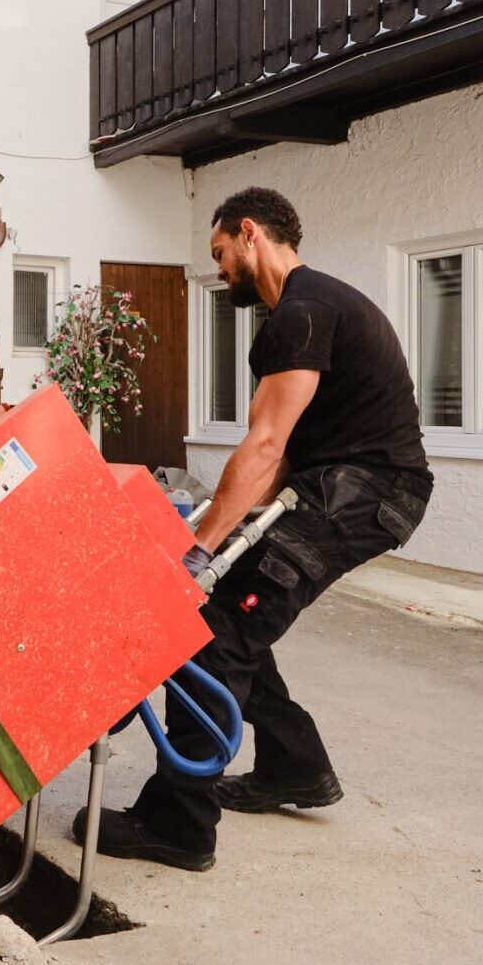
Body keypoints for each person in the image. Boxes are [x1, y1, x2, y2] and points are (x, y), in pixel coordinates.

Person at [78, 187, 433, 872]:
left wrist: (199, 547)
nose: (217, 269)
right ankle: (292, 766)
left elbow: (264, 447)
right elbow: (279, 459)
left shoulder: (301, 312)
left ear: (249, 235)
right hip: (342, 485)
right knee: (230, 611)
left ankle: (177, 825)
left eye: (218, 253)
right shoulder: (304, 309)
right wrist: (213, 536)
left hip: (362, 491)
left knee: (211, 644)